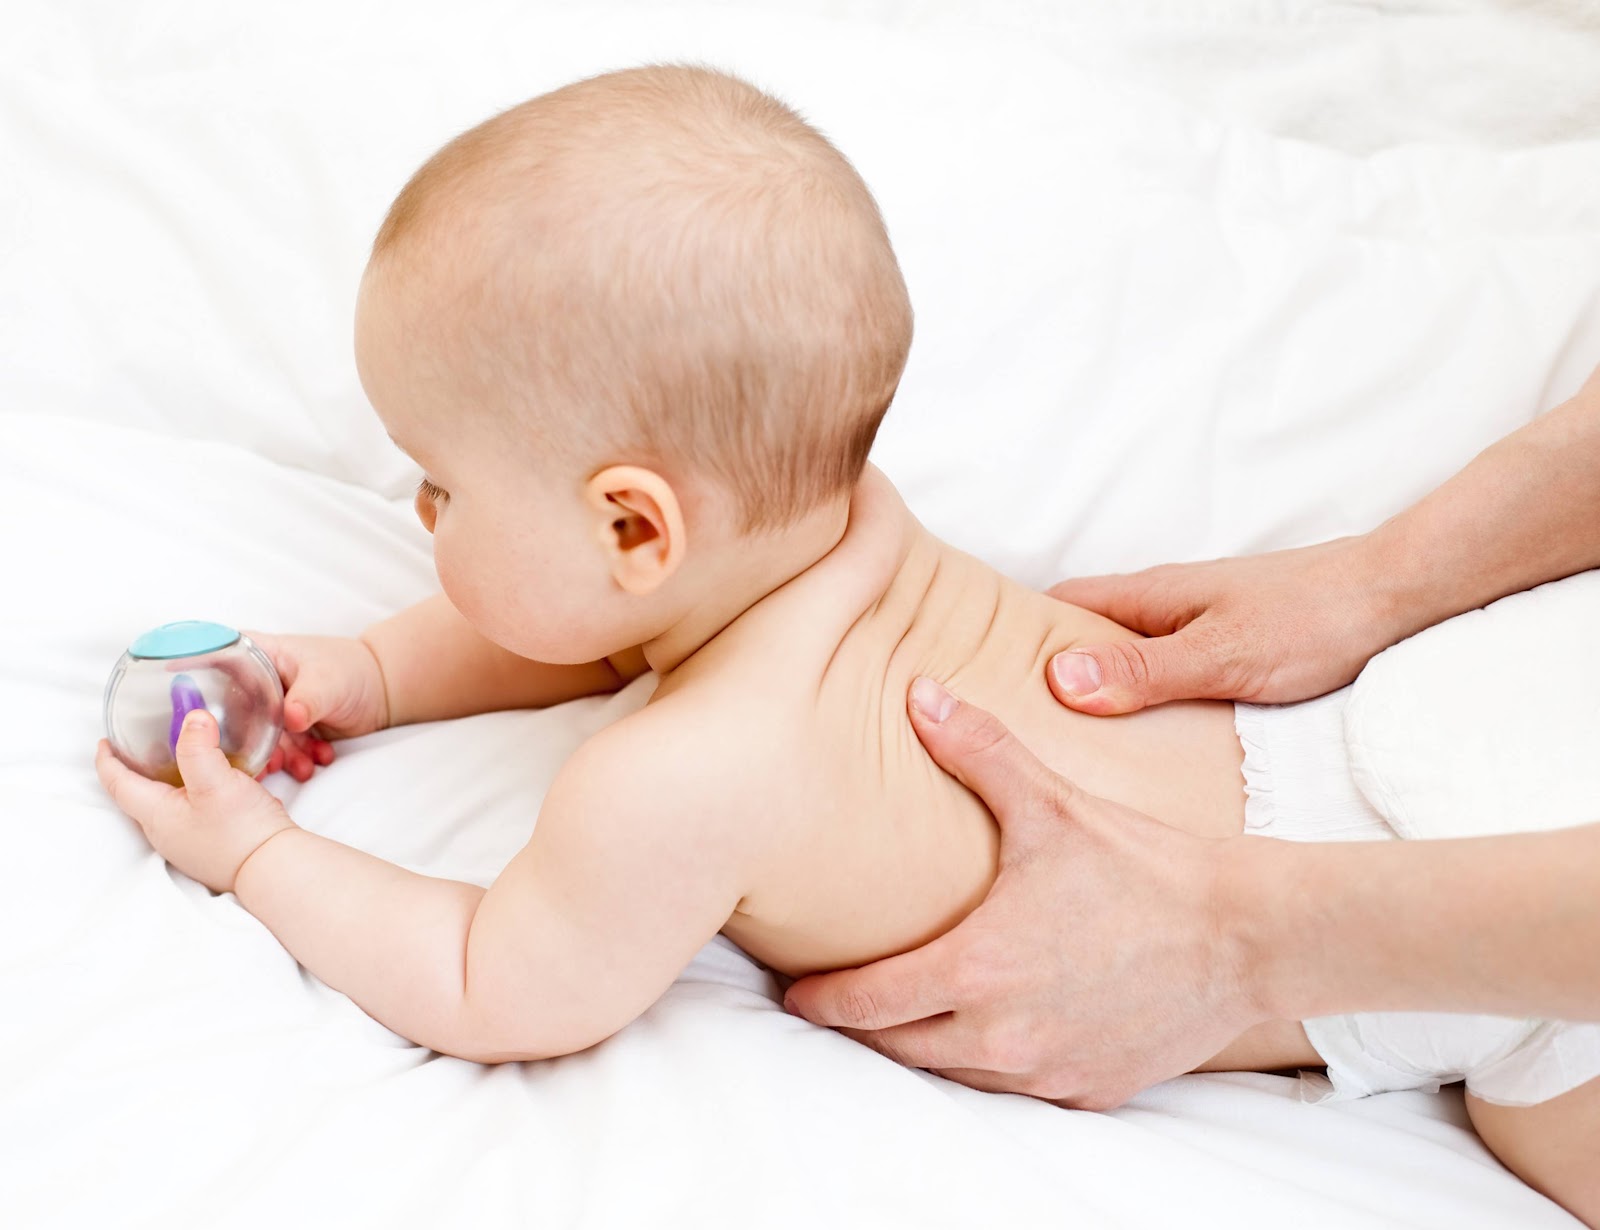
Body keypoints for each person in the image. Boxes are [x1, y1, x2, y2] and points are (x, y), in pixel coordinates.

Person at [90, 65, 1595, 1222]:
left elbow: (493, 983)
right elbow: (604, 633)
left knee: (1545, 1137)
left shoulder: (673, 785)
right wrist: (374, 672)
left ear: (636, 526)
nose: (419, 509)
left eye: (441, 485)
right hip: (1483, 710)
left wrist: (254, 855)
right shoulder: (847, 530)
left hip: (1475, 960)